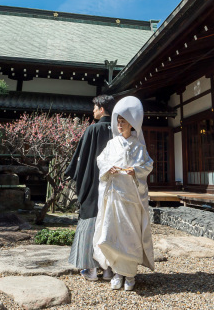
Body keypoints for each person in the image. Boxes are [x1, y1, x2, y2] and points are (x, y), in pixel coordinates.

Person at [93, 96, 155, 291]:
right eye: (118, 121)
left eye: (123, 122)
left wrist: (135, 171)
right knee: (112, 233)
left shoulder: (139, 146)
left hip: (131, 197)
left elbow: (148, 165)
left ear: (131, 124)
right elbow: (100, 160)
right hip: (114, 196)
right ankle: (118, 272)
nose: (119, 125)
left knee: (130, 235)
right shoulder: (112, 144)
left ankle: (130, 274)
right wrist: (108, 168)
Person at [64, 94, 115, 281]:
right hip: (114, 185)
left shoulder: (92, 130)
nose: (92, 110)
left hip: (94, 184)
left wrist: (75, 175)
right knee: (111, 225)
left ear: (102, 109)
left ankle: (90, 269)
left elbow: (82, 158)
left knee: (90, 222)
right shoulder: (119, 129)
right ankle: (110, 270)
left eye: (94, 107)